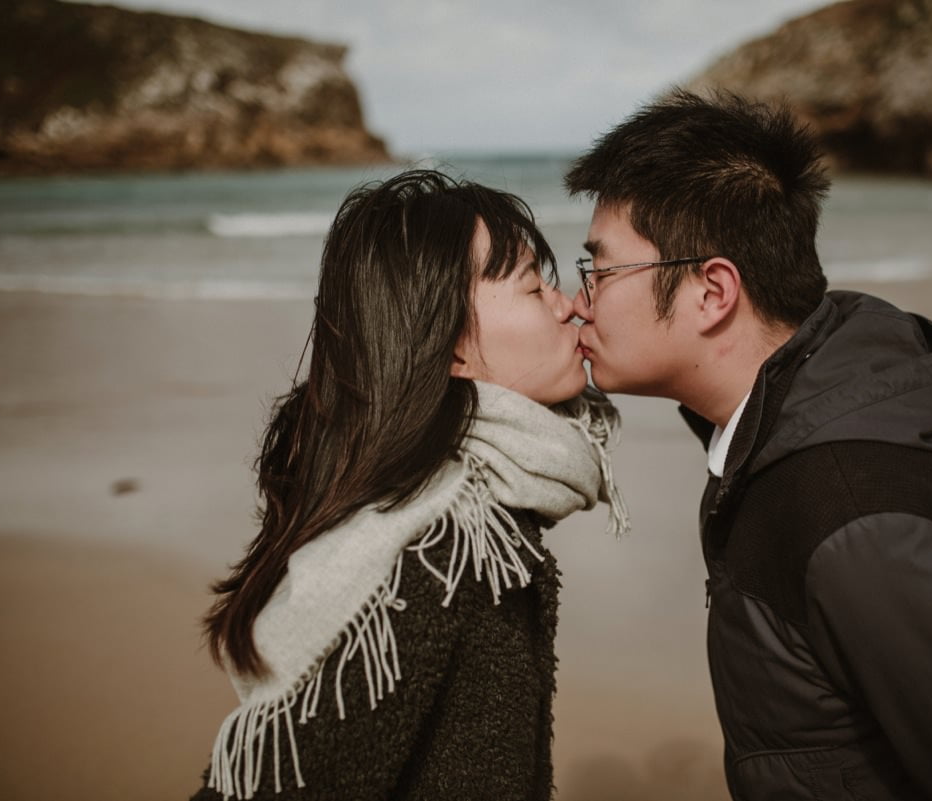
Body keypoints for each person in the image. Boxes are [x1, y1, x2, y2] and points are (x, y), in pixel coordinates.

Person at [565, 90, 932, 801]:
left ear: (712, 291)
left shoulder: (854, 514)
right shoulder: (783, 442)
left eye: (600, 271)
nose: (579, 301)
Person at [191, 170, 628, 801]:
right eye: (536, 285)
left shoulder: (490, 503)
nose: (569, 305)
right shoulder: (433, 549)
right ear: (450, 346)